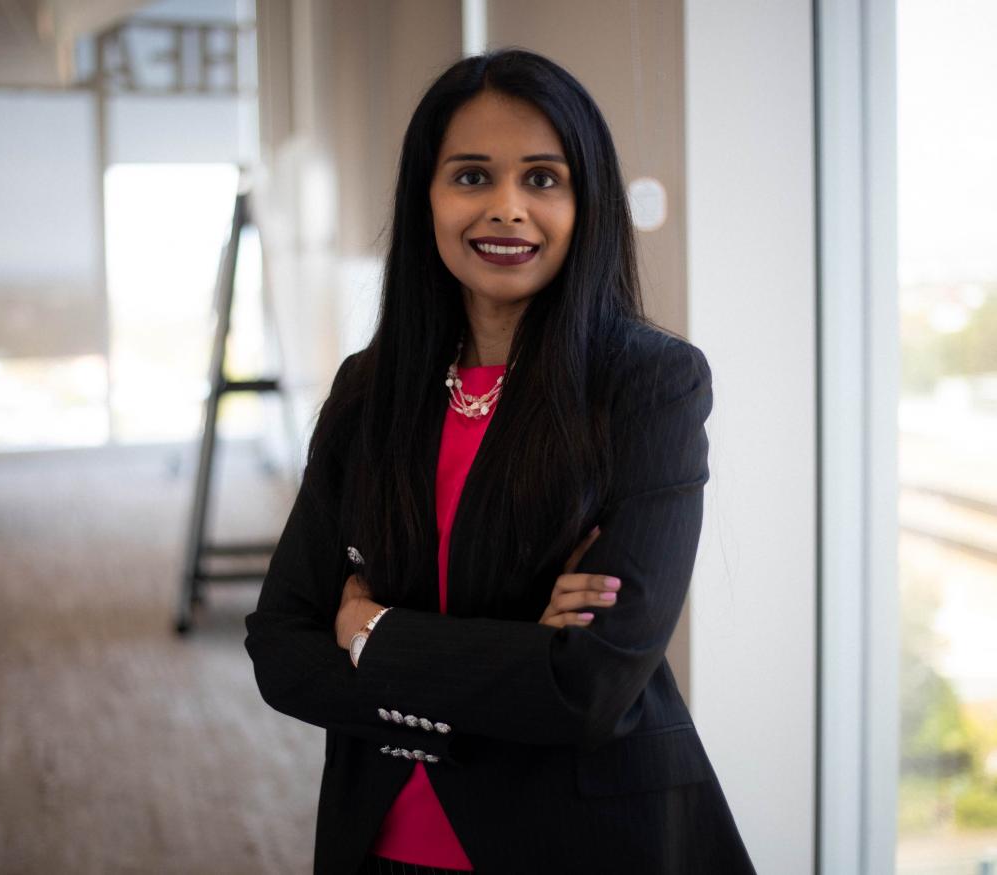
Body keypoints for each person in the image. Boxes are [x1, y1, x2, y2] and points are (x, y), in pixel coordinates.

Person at [245, 48, 756, 874]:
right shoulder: (369, 389)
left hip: (583, 844)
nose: (507, 209)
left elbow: (588, 685)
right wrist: (515, 659)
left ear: (585, 201)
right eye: (472, 176)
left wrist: (371, 632)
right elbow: (279, 646)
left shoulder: (650, 385)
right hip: (377, 839)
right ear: (427, 198)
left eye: (543, 179)